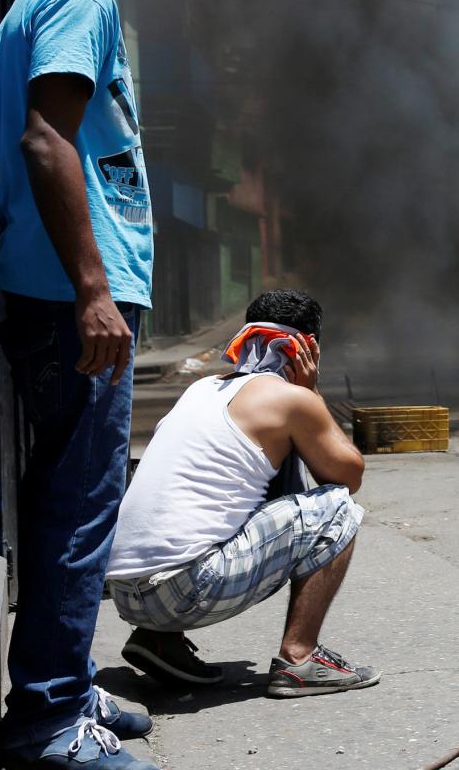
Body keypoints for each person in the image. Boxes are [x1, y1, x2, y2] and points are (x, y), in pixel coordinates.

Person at [0, 0, 163, 770]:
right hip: (71, 302)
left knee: (69, 499)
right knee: (80, 505)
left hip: (61, 295)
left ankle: (67, 682)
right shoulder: (85, 2)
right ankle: (50, 723)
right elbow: (46, 137)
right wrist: (96, 291)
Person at [105, 289, 379, 700]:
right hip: (185, 591)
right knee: (337, 507)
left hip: (128, 596)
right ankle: (300, 658)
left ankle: (159, 640)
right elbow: (348, 473)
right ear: (310, 349)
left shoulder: (201, 389)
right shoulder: (290, 399)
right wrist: (312, 394)